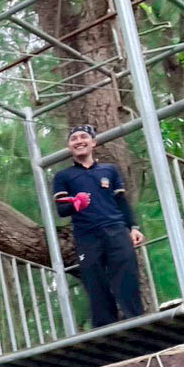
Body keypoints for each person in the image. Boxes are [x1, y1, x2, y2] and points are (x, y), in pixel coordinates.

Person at [51, 124, 145, 328]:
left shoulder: (109, 171)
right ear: (69, 146)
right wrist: (76, 204)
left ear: (93, 142)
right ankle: (105, 328)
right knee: (95, 281)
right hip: (87, 236)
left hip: (116, 229)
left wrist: (133, 227)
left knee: (127, 275)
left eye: (83, 137)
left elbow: (121, 202)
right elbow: (62, 209)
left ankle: (137, 322)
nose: (79, 141)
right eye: (74, 138)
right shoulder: (63, 176)